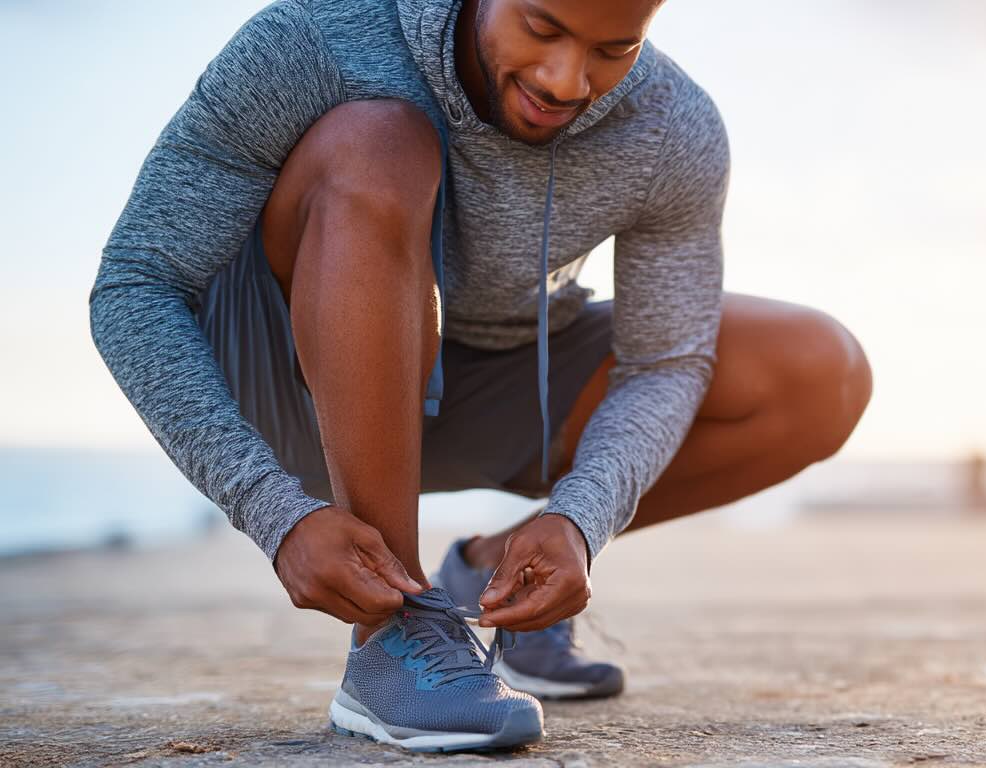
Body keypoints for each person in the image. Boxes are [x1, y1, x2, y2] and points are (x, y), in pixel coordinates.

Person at [89, 0, 872, 751]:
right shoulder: (316, 39)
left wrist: (580, 520)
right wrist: (270, 508)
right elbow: (135, 283)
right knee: (377, 138)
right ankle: (394, 637)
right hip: (290, 389)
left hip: (501, 382)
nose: (568, 81)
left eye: (613, 49)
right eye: (542, 27)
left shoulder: (672, 128)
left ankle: (493, 576)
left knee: (820, 372)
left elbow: (664, 363)